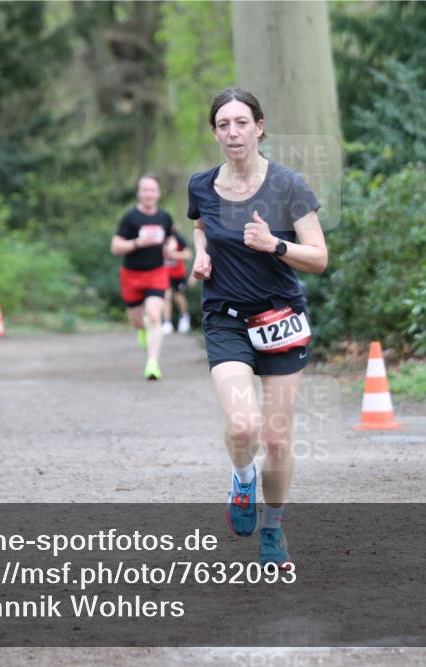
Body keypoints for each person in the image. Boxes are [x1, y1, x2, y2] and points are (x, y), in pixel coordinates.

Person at [187, 88, 327, 568]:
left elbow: (319, 257)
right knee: (243, 426)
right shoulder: (202, 185)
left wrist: (274, 244)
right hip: (225, 317)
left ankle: (274, 527)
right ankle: (242, 479)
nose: (233, 132)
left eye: (241, 122)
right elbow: (202, 224)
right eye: (223, 124)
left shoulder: (288, 186)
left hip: (280, 318)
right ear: (215, 132)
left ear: (260, 127)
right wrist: (200, 253)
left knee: (276, 439)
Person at [110, 175, 174, 380]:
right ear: (139, 193)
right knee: (137, 321)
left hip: (156, 273)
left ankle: (152, 363)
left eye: (152, 190)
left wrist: (169, 249)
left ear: (158, 193)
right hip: (132, 275)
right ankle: (142, 330)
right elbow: (115, 247)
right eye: (144, 190)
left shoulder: (165, 217)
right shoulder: (130, 218)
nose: (148, 194)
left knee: (155, 315)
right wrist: (138, 242)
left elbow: (171, 241)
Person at [161, 229, 192, 334]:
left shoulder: (179, 239)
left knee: (179, 297)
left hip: (178, 274)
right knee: (166, 296)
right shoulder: (160, 238)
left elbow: (188, 255)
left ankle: (184, 318)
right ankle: (167, 322)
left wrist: (173, 254)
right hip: (164, 274)